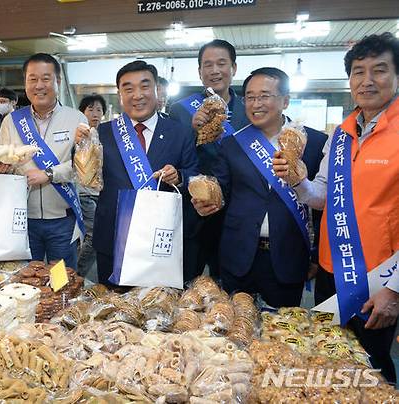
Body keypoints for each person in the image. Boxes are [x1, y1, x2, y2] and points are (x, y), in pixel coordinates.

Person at [273, 32, 399, 383]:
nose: (367, 80)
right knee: (332, 359)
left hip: (379, 280)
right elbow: (323, 195)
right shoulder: (341, 134)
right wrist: (297, 179)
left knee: (372, 369)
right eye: (359, 72)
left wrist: (395, 289)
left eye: (380, 70)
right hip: (332, 271)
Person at [193, 67, 326, 308]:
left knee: (281, 333)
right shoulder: (232, 144)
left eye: (264, 96)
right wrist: (206, 200)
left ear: (285, 101)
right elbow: (221, 191)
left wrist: (316, 255)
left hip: (288, 257)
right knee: (233, 330)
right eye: (250, 97)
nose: (256, 103)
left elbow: (321, 204)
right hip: (238, 256)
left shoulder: (314, 142)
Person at [91, 60, 199, 285]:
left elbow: (194, 175)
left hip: (160, 244)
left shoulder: (180, 133)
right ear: (120, 94)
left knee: (157, 313)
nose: (137, 95)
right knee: (108, 313)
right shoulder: (102, 133)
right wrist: (80, 148)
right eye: (128, 89)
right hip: (113, 240)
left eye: (144, 86)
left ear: (157, 90)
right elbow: (87, 177)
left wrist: (179, 176)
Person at [169, 39, 251, 283]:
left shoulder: (248, 112)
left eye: (221, 63)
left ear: (233, 68)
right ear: (199, 71)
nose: (215, 70)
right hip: (190, 213)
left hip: (233, 213)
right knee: (184, 285)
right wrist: (193, 131)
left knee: (228, 286)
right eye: (208, 65)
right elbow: (173, 159)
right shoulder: (181, 110)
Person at [0, 53, 87, 270]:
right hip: (21, 219)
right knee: (25, 281)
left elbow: (85, 166)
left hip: (62, 220)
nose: (39, 85)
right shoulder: (11, 121)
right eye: (32, 79)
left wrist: (50, 174)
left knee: (63, 282)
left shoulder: (76, 119)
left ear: (58, 81)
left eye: (46, 79)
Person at [75, 94, 106, 278]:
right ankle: (78, 273)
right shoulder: (78, 133)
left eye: (99, 110)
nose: (95, 114)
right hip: (83, 194)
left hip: (100, 194)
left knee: (91, 236)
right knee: (94, 235)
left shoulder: (106, 134)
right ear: (82, 112)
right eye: (90, 109)